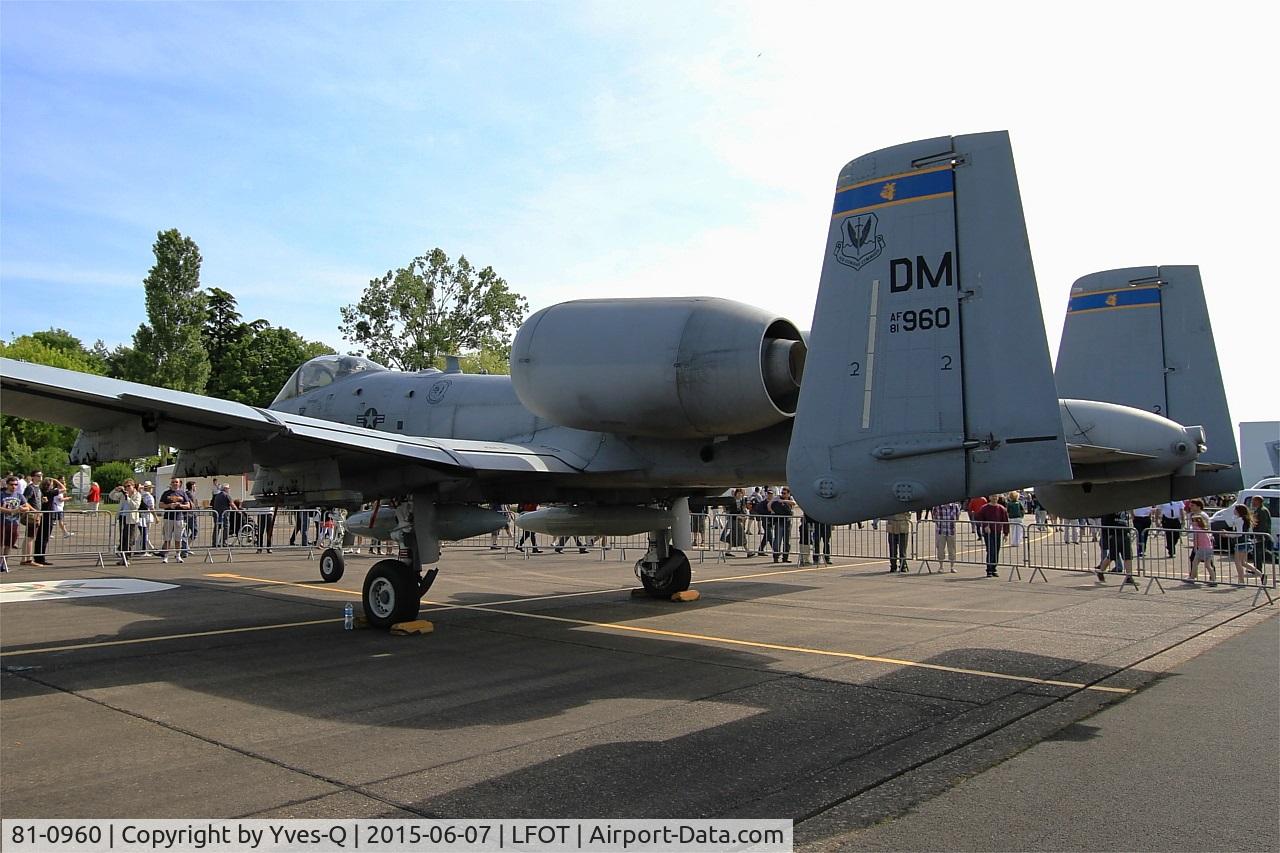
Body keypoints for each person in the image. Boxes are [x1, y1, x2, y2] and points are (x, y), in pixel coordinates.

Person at [1093, 511, 1136, 585]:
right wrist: (1108, 536)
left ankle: (1129, 577)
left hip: (1125, 535)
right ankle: (1101, 571)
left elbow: (1127, 522)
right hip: (1114, 535)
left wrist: (1129, 531)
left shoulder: (1125, 511)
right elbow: (1105, 524)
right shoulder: (1110, 511)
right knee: (1112, 556)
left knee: (1128, 556)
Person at [157, 477, 192, 563]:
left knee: (178, 538)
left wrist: (180, 505)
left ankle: (178, 555)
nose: (174, 483)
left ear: (179, 483)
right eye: (173, 482)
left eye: (176, 482)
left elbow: (188, 506)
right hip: (168, 518)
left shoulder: (182, 493)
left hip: (179, 518)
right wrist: (169, 506)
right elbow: (160, 505)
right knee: (167, 538)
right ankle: (166, 556)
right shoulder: (166, 493)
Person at [1, 476, 33, 570]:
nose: (14, 486)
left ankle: (4, 564)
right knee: (1, 544)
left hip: (14, 522)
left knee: (8, 545)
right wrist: (12, 511)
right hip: (2, 522)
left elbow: (27, 506)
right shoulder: (2, 494)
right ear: (7, 484)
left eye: (16, 484)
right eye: (12, 484)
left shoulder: (19, 495)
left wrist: (23, 509)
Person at [972, 496, 1009, 577]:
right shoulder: (984, 508)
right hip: (988, 533)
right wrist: (985, 525)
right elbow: (978, 517)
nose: (994, 498)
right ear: (990, 497)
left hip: (997, 532)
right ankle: (989, 569)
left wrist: (1006, 534)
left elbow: (1006, 521)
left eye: (996, 496)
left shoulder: (1001, 508)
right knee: (990, 550)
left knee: (996, 550)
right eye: (993, 496)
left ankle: (994, 568)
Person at [110, 480, 142, 564]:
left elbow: (135, 506)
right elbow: (112, 496)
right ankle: (123, 557)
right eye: (125, 486)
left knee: (129, 539)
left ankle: (127, 558)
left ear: (133, 486)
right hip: (122, 517)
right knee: (123, 538)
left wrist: (128, 498)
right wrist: (115, 490)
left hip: (131, 519)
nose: (127, 488)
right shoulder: (122, 494)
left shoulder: (137, 495)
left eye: (128, 486)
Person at [22, 470, 49, 566]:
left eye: (41, 475)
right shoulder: (30, 488)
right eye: (38, 475)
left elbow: (35, 500)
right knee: (30, 537)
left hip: (37, 515)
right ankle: (28, 559)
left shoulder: (38, 488)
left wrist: (42, 500)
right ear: (33, 477)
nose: (40, 477)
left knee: (30, 537)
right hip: (33, 515)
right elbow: (25, 500)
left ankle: (25, 558)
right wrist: (34, 510)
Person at [1229, 504, 1261, 583]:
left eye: (1235, 509)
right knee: (1243, 562)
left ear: (1238, 511)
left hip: (1241, 542)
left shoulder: (1239, 520)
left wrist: (1227, 534)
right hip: (1246, 541)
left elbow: (1239, 533)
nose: (1234, 511)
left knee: (1238, 562)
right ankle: (1260, 574)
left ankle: (1241, 580)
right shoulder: (1245, 519)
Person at [1185, 514, 1217, 586]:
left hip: (1202, 548)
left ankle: (1192, 578)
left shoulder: (1196, 529)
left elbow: (1196, 540)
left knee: (1195, 563)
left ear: (1196, 522)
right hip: (1208, 548)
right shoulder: (1203, 528)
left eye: (1193, 521)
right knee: (1206, 565)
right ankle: (1213, 580)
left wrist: (1195, 549)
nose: (1191, 522)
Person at [931, 501, 960, 572]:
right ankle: (941, 567)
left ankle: (952, 567)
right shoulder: (937, 507)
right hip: (940, 531)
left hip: (951, 531)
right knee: (940, 549)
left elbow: (957, 517)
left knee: (952, 549)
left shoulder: (955, 506)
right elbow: (933, 518)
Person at [1248, 495, 1273, 565]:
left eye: (1254, 500)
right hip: (1258, 535)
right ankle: (1256, 568)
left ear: (1258, 501)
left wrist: (1260, 536)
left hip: (1261, 536)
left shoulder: (1262, 511)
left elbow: (1263, 525)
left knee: (1259, 553)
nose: (1252, 502)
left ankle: (1258, 570)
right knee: (1256, 552)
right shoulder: (1258, 510)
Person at [136, 481, 157, 555]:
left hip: (140, 515)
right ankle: (149, 548)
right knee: (145, 533)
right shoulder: (149, 497)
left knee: (142, 533)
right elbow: (151, 508)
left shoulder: (140, 494)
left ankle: (138, 548)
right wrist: (156, 517)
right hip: (147, 516)